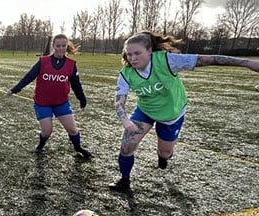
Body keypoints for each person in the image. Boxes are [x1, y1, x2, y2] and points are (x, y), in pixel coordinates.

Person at [109, 30, 259, 192]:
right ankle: (124, 181)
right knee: (126, 146)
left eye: (137, 53)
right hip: (145, 111)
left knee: (165, 152)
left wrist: (248, 63)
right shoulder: (126, 73)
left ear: (150, 50)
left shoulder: (167, 60)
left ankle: (163, 156)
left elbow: (207, 59)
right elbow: (120, 99)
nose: (132, 58)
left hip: (172, 114)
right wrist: (125, 119)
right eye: (129, 54)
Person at [7, 34, 92, 159]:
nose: (61, 48)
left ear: (66, 46)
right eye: (58, 46)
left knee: (73, 130)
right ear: (53, 46)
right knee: (47, 132)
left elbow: (76, 84)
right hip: (42, 103)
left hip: (61, 103)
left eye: (64, 46)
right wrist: (14, 89)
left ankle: (78, 148)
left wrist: (82, 99)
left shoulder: (71, 64)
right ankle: (40, 146)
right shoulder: (43, 61)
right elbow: (29, 77)